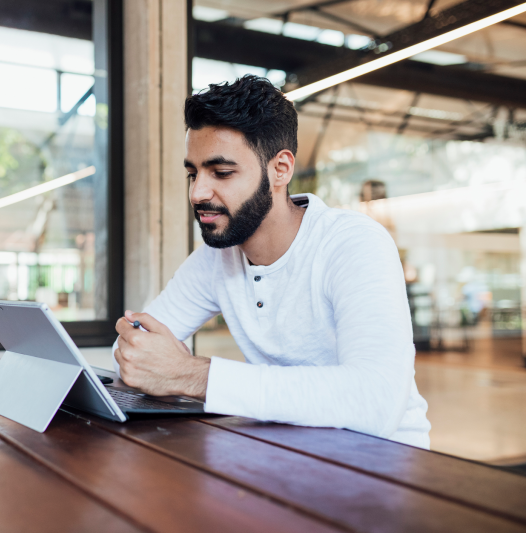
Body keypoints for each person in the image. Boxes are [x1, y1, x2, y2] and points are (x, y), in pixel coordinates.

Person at [112, 75, 430, 448]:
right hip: (283, 453)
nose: (197, 192)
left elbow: (375, 401)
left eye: (222, 172)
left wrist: (192, 375)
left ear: (280, 169)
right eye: (193, 172)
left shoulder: (353, 243)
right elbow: (135, 354)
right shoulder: (217, 258)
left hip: (387, 468)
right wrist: (150, 360)